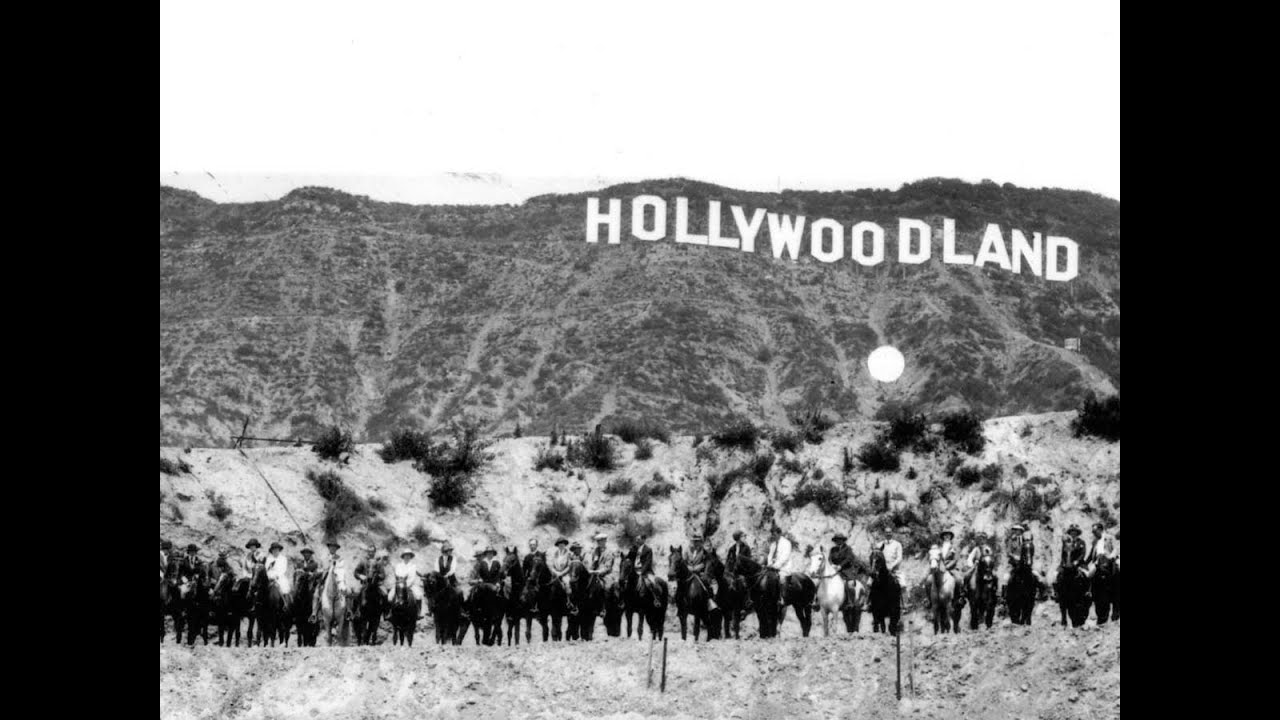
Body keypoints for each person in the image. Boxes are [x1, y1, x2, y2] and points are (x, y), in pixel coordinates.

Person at [390, 549, 426, 619]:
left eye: (409, 555)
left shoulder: (413, 566)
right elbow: (397, 575)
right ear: (403, 556)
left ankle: (418, 612)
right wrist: (401, 583)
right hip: (400, 584)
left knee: (419, 595)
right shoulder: (398, 565)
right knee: (390, 596)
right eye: (405, 555)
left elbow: (412, 577)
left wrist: (406, 585)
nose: (407, 557)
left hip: (410, 585)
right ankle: (390, 612)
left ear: (410, 557)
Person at [686, 533, 720, 609]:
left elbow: (708, 562)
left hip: (700, 573)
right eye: (694, 541)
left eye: (697, 541)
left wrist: (701, 567)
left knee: (707, 584)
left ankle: (710, 601)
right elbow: (684, 561)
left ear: (700, 542)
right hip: (689, 573)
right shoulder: (687, 551)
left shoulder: (704, 552)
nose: (695, 543)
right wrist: (689, 567)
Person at [827, 533, 860, 609]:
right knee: (822, 580)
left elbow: (849, 558)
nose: (838, 541)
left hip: (846, 570)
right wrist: (832, 565)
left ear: (843, 540)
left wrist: (840, 566)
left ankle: (851, 602)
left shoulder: (848, 548)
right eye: (836, 540)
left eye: (839, 539)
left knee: (850, 585)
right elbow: (829, 559)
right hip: (834, 570)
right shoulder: (832, 549)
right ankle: (817, 601)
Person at [634, 533, 660, 608]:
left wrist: (642, 572)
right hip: (634, 570)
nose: (637, 541)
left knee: (652, 582)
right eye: (636, 539)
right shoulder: (634, 549)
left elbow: (648, 562)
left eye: (638, 539)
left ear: (643, 540)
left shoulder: (648, 550)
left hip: (645, 571)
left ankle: (656, 599)